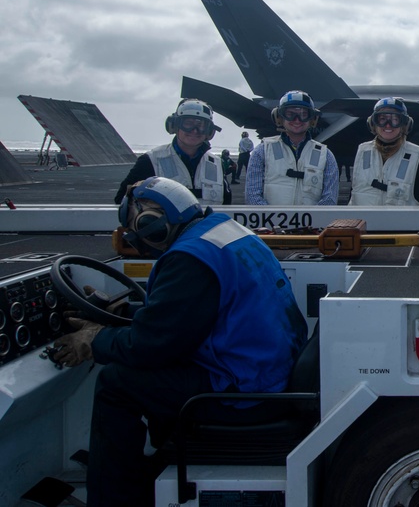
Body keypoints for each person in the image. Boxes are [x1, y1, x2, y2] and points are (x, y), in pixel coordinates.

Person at [52, 177, 308, 506]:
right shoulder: (220, 231)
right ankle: (135, 467)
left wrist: (93, 340)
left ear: (150, 223)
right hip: (266, 370)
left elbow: (150, 347)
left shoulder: (189, 259)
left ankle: (113, 497)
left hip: (243, 391)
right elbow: (185, 314)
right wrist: (123, 312)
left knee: (115, 384)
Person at [114, 98, 231, 205]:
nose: (194, 131)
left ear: (209, 131)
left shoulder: (216, 164)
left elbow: (227, 205)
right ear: (174, 126)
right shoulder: (152, 160)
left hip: (208, 228)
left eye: (200, 125)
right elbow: (122, 200)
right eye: (188, 123)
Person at [245, 90, 340, 205]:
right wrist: (273, 220)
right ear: (279, 117)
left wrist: (310, 221)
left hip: (312, 223)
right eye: (290, 114)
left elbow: (329, 199)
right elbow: (252, 196)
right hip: (270, 222)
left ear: (312, 119)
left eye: (303, 114)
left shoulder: (326, 156)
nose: (297, 120)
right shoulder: (262, 151)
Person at [349, 97, 419, 206]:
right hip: (364, 222)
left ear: (404, 125)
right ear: (373, 123)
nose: (388, 125)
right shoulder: (362, 151)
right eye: (382, 119)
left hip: (400, 223)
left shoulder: (415, 156)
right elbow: (353, 195)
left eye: (395, 119)